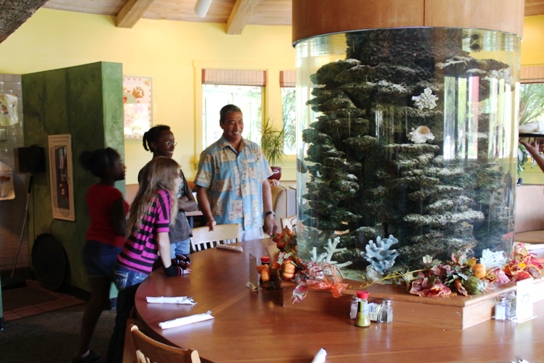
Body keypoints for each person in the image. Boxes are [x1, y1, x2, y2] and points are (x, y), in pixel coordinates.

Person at [106, 157, 190, 363]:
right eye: (177, 175)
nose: (180, 179)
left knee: (124, 322)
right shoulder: (164, 196)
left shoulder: (150, 195)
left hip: (126, 266)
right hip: (134, 269)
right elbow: (162, 238)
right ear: (166, 176)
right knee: (128, 323)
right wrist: (169, 267)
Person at [195, 104, 278, 241]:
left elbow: (264, 184)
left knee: (255, 262)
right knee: (227, 263)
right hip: (224, 226)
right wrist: (209, 218)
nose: (237, 127)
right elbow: (201, 190)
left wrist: (269, 215)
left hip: (254, 224)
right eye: (231, 122)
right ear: (222, 124)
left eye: (240, 121)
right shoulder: (211, 154)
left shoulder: (255, 150)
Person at [75, 148, 128, 363]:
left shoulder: (93, 190)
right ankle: (123, 352)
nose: (123, 166)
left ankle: (82, 351)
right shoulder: (114, 194)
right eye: (119, 164)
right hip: (111, 251)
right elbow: (120, 229)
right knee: (129, 300)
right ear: (109, 170)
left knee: (96, 301)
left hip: (92, 248)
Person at [140, 125, 197, 271]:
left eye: (173, 142)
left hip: (182, 232)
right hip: (164, 236)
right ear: (153, 145)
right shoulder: (148, 172)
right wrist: (181, 200)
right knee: (166, 278)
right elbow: (156, 205)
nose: (172, 146)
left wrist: (174, 202)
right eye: (167, 142)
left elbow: (193, 204)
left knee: (184, 274)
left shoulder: (176, 169)